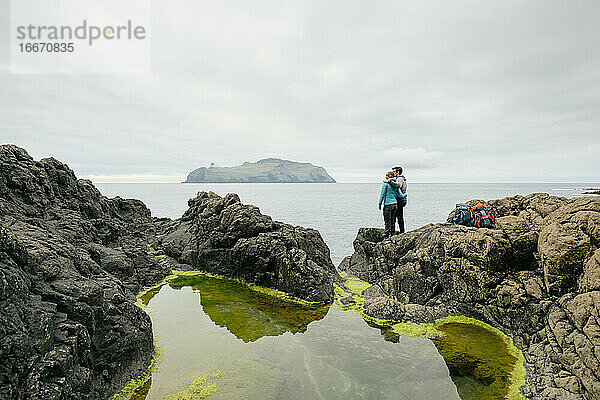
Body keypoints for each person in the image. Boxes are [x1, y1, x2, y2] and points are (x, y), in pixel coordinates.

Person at [378, 171, 406, 239]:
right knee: (392, 220)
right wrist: (405, 195)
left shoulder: (385, 184)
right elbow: (401, 195)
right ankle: (392, 233)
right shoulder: (394, 184)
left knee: (387, 220)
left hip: (388, 205)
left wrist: (379, 203)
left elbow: (382, 195)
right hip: (395, 204)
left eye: (386, 176)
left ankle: (387, 235)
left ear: (388, 176)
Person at [384, 166, 407, 233]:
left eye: (394, 171)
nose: (393, 173)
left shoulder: (399, 179)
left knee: (397, 216)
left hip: (399, 200)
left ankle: (399, 231)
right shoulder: (403, 178)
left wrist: (389, 181)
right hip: (402, 199)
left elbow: (398, 185)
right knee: (399, 216)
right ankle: (400, 231)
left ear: (398, 172)